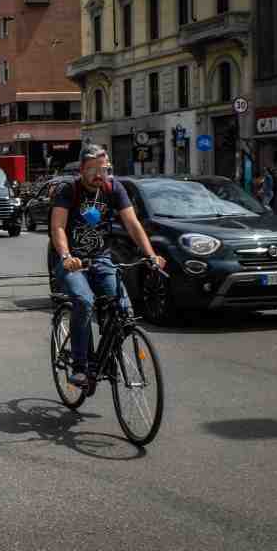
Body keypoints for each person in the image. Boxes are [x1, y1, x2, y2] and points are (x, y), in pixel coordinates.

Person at [49, 145, 165, 388]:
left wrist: (151, 255)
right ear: (82, 170)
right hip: (70, 260)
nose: (99, 174)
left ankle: (106, 354)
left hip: (100, 258)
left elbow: (132, 224)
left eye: (104, 168)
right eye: (93, 169)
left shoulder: (114, 188)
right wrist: (67, 256)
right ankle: (81, 365)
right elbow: (58, 226)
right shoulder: (68, 190)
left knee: (123, 309)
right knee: (84, 300)